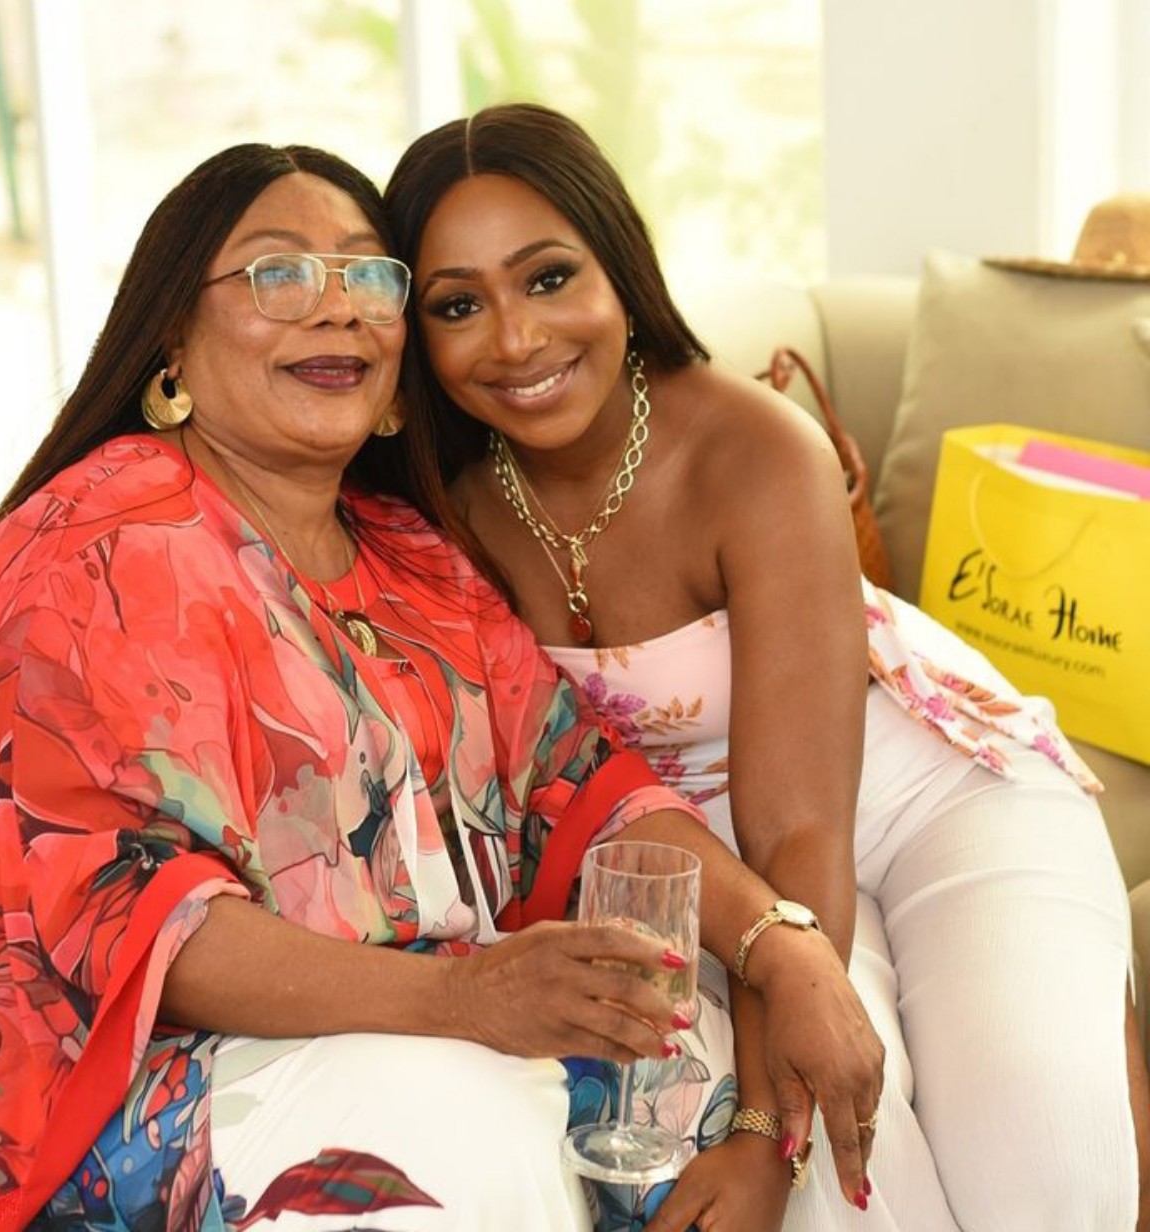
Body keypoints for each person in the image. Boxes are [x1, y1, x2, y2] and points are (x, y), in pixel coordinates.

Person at [0, 142, 886, 1232]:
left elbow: (589, 791)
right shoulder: (97, 548)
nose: (338, 307)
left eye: (368, 275)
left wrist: (782, 945)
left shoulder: (415, 556)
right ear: (173, 343)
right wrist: (465, 1000)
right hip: (121, 1084)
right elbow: (137, 918)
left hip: (423, 1028)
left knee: (717, 1075)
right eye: (279, 272)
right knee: (461, 1125)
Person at [383, 102, 1148, 1232]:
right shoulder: (437, 509)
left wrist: (757, 1129)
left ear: (619, 266)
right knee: (853, 1188)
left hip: (925, 800)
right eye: (459, 304)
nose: (516, 338)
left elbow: (797, 826)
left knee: (1047, 1181)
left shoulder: (757, 451)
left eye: (548, 278)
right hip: (702, 866)